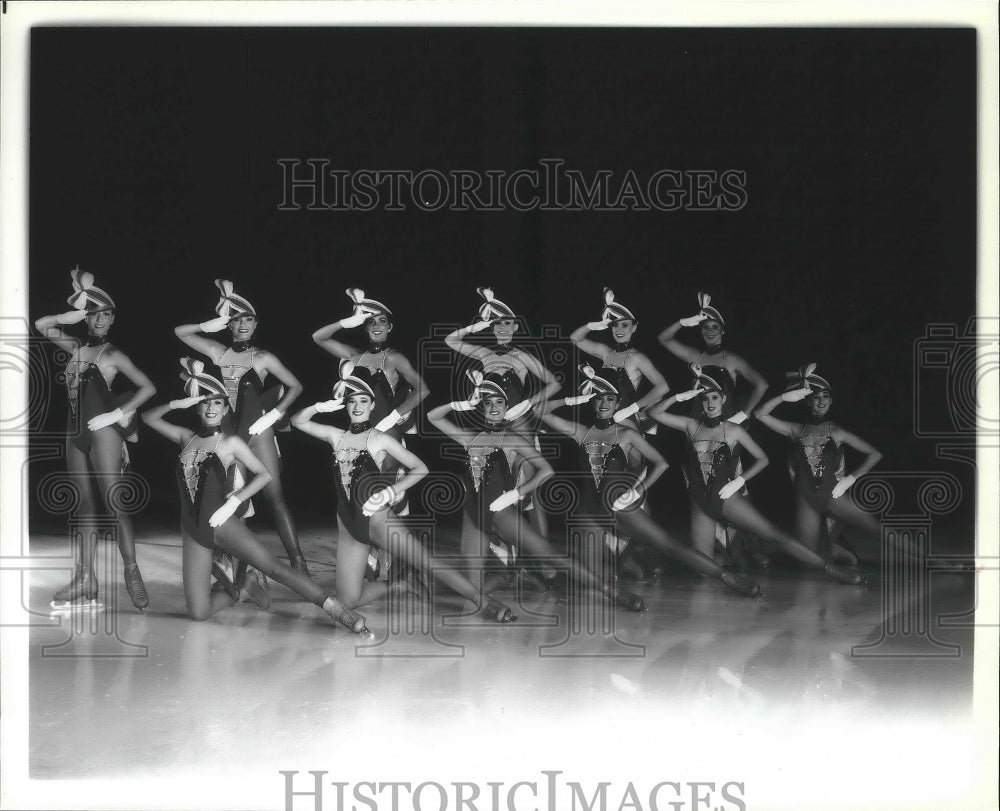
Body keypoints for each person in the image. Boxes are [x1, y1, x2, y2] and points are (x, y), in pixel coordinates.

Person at [141, 359, 367, 631]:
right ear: (197, 407)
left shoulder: (230, 442)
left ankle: (340, 612)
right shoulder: (185, 437)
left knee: (275, 568)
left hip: (222, 523)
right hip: (191, 529)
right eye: (205, 402)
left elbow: (264, 474)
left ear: (226, 409)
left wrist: (234, 502)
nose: (211, 408)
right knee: (199, 613)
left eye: (217, 403)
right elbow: (148, 418)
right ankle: (242, 586)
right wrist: (178, 404)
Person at [292, 361, 516, 621]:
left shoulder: (380, 438)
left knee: (427, 562)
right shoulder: (335, 435)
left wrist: (390, 493)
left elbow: (420, 468)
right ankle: (399, 585)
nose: (357, 406)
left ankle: (484, 602)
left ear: (372, 405)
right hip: (347, 523)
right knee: (349, 600)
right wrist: (318, 407)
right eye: (352, 400)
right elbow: (297, 421)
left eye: (364, 401)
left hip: (378, 519)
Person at [428, 372, 646, 611]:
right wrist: (461, 404)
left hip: (502, 513)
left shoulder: (512, 439)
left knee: (553, 557)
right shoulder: (469, 439)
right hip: (472, 515)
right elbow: (433, 416)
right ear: (481, 407)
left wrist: (516, 493)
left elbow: (546, 470)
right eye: (488, 402)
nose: (493, 408)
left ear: (506, 407)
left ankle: (614, 593)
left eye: (499, 402)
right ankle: (506, 581)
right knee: (472, 591)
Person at [539, 366, 760, 596]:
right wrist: (571, 400)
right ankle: (617, 592)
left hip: (620, 507)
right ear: (591, 402)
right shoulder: (580, 432)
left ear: (618, 403)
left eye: (610, 399)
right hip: (588, 511)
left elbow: (661, 463)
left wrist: (638, 490)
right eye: (599, 398)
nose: (604, 404)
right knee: (589, 581)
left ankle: (727, 576)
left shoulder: (627, 434)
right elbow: (540, 411)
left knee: (670, 546)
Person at [647, 365, 861, 584]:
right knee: (702, 568)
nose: (710, 403)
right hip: (700, 503)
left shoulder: (734, 430)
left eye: (714, 398)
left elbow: (763, 459)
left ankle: (830, 569)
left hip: (726, 498)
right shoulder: (691, 425)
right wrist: (678, 397)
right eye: (705, 399)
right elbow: (653, 413)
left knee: (774, 535)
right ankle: (728, 564)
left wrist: (740, 480)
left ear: (722, 399)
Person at [35, 268, 157, 611]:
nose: (100, 319)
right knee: (83, 507)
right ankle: (86, 578)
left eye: (106, 314)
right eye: (94, 314)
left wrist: (117, 416)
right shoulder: (73, 345)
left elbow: (149, 387)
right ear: (86, 317)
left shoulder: (113, 355)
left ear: (113, 318)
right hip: (74, 434)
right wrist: (67, 315)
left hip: (102, 432)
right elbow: (42, 325)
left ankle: (132, 573)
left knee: (115, 504)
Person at [174, 280, 310, 574]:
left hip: (259, 433)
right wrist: (213, 322)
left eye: (247, 319)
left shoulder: (263, 358)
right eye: (236, 320)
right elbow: (180, 332)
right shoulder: (217, 352)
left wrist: (273, 415)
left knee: (274, 497)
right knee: (233, 500)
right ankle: (237, 567)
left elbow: (296, 386)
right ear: (229, 324)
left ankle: (298, 561)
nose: (242, 324)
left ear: (256, 324)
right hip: (229, 437)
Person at [444, 286, 561, 574]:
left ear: (516, 326)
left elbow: (554, 383)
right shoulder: (484, 354)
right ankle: (511, 557)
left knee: (529, 494)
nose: (502, 328)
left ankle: (544, 562)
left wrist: (527, 405)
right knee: (498, 487)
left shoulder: (522, 356)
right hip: (493, 427)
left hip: (520, 427)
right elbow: (450, 339)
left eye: (507, 323)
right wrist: (478, 325)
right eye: (497, 324)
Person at [658, 292, 771, 568]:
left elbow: (762, 385)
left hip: (727, 425)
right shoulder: (693, 354)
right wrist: (687, 320)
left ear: (723, 330)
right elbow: (664, 339)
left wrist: (745, 413)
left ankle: (749, 545)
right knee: (701, 480)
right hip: (697, 423)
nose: (709, 331)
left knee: (736, 484)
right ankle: (718, 543)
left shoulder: (732, 359)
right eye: (705, 326)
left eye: (714, 327)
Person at [570, 287, 671, 577]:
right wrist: (593, 326)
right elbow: (575, 339)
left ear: (634, 327)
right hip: (605, 426)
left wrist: (632, 409)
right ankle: (621, 556)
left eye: (624, 325)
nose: (619, 330)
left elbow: (663, 387)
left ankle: (647, 552)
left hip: (627, 427)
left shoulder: (638, 357)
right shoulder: (604, 352)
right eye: (614, 325)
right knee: (605, 488)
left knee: (634, 490)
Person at [754, 364, 884, 564]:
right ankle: (834, 547)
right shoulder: (796, 430)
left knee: (876, 529)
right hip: (807, 496)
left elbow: (874, 454)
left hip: (833, 493)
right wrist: (784, 397)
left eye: (825, 396)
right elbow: (759, 414)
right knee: (810, 558)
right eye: (816, 397)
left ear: (831, 401)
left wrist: (850, 479)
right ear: (808, 402)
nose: (821, 401)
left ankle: (932, 558)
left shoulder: (838, 431)